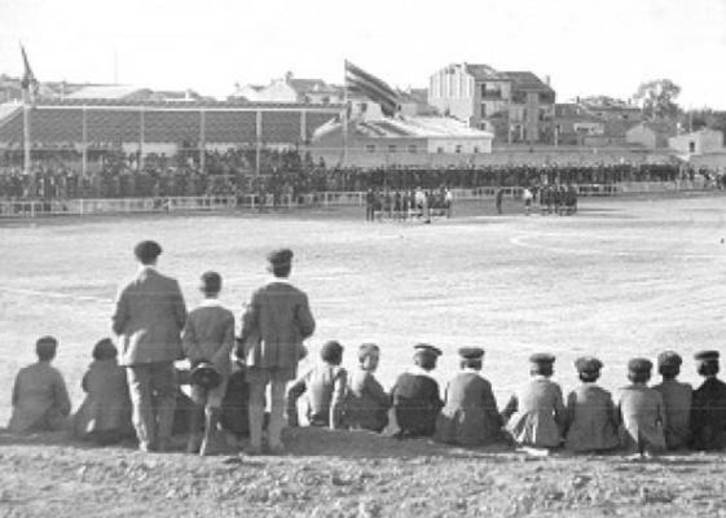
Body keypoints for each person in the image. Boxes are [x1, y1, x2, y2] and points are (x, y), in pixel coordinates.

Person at [112, 240, 188, 452]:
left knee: (140, 397)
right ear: (157, 258)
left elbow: (116, 323)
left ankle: (146, 440)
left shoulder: (127, 286)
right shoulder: (170, 284)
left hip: (135, 351)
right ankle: (164, 438)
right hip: (164, 349)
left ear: (137, 258)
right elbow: (182, 318)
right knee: (166, 395)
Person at [238, 248, 316, 454]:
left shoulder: (258, 294)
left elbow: (245, 325)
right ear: (289, 269)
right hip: (285, 352)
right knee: (278, 396)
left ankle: (255, 443)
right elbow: (308, 326)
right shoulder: (298, 296)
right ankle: (275, 442)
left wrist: (244, 341)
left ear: (268, 269)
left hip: (258, 352)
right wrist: (294, 337)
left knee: (255, 397)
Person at [182, 271, 236, 455]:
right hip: (219, 366)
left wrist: (199, 359)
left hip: (197, 366)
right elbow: (229, 343)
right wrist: (214, 361)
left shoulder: (193, 315)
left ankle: (192, 441)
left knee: (197, 400)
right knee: (215, 401)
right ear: (219, 289)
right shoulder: (227, 315)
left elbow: (187, 342)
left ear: (200, 290)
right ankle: (208, 441)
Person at [434, 347, 503, 446]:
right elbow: (492, 409)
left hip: (447, 431)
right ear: (480, 364)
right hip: (472, 432)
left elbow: (446, 403)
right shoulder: (483, 383)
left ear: (461, 364)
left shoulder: (452, 381)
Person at [73, 338, 133, 445]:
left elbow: (85, 388)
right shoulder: (123, 371)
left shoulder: (91, 372)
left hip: (89, 422)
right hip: (117, 422)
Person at [501, 353, 565, 449]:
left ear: (531, 371)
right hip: (547, 439)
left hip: (520, 437)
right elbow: (561, 415)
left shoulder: (520, 387)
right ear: (551, 372)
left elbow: (507, 412)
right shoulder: (554, 387)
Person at [8, 336, 71, 433]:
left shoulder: (23, 372)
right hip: (38, 424)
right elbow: (65, 406)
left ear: (36, 352)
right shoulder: (54, 374)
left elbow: (15, 400)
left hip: (17, 423)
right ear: (54, 353)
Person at [287, 340, 347, 429]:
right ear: (339, 356)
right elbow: (337, 401)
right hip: (329, 422)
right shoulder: (338, 372)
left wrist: (294, 422)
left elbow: (291, 393)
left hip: (313, 421)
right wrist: (334, 428)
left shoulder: (311, 372)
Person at [563, 356, 619, 453]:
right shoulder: (605, 394)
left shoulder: (573, 395)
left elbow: (568, 419)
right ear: (598, 375)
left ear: (579, 375)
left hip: (578, 443)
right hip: (604, 443)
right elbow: (614, 419)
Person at [615, 358, 666, 456]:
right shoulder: (655, 394)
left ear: (629, 376)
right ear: (649, 376)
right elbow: (663, 421)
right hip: (652, 441)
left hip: (628, 441)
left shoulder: (620, 393)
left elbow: (615, 419)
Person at [391, 344, 443, 438]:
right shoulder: (430, 383)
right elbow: (437, 406)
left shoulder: (402, 378)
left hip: (401, 423)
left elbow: (391, 397)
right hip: (421, 429)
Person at [344, 343, 391, 433]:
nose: (377, 362)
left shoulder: (351, 375)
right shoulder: (366, 377)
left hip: (354, 424)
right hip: (368, 425)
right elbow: (384, 400)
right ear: (365, 359)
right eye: (375, 359)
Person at [652, 351, 692, 450]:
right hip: (684, 440)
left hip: (664, 439)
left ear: (660, 370)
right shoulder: (687, 389)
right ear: (678, 370)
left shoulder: (654, 391)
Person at [690, 350, 726, 451]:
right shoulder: (723, 388)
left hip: (704, 442)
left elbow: (695, 421)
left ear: (702, 366)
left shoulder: (698, 393)